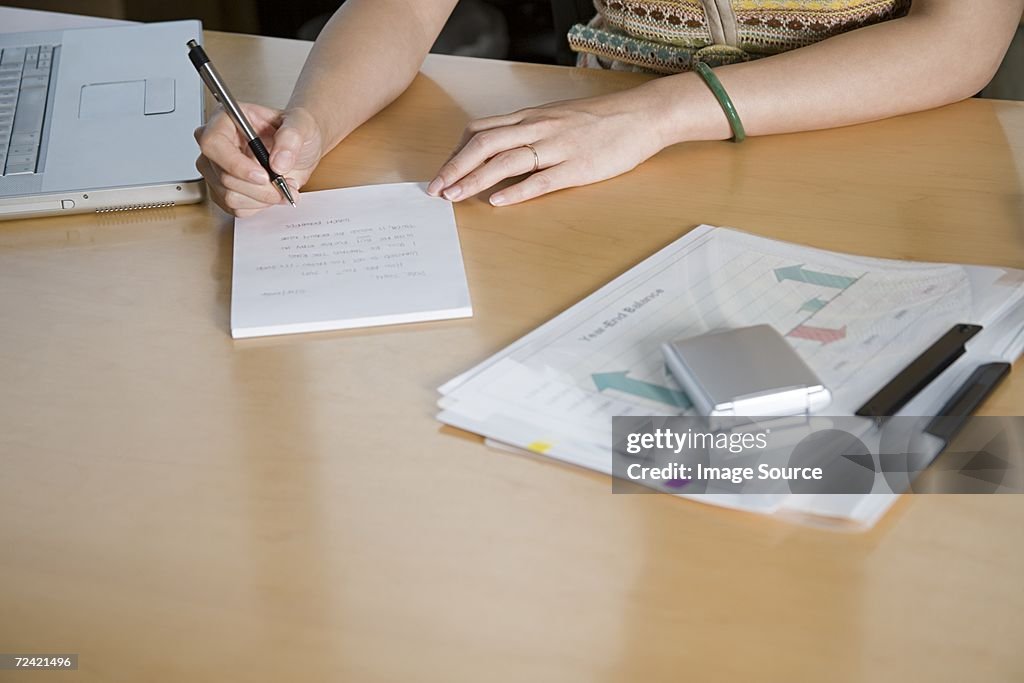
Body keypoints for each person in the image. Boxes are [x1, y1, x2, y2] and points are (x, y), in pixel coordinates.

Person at [195, 0, 1023, 216]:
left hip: (876, 156)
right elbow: (406, 10)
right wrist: (309, 126)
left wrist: (657, 117)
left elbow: (961, 41)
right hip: (618, 172)